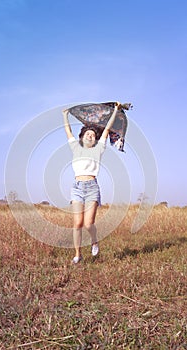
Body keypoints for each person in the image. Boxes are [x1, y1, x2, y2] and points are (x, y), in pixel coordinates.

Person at [63, 102, 122, 264]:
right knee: (77, 223)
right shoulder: (75, 147)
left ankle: (94, 241)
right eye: (88, 134)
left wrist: (115, 111)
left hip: (91, 187)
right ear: (82, 136)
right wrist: (65, 115)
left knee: (89, 224)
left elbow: (107, 129)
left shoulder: (99, 149)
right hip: (77, 187)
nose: (90, 135)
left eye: (93, 135)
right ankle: (77, 255)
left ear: (96, 139)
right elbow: (68, 131)